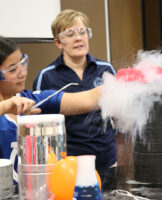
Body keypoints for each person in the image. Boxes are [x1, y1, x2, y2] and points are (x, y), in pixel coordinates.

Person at [0, 35, 101, 183]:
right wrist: (2, 107)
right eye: (12, 70)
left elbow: (88, 99)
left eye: (23, 62)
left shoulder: (33, 101)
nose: (22, 72)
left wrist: (120, 83)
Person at [33, 9, 117, 176]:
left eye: (82, 31)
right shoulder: (47, 75)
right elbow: (39, 126)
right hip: (68, 166)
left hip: (107, 160)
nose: (79, 38)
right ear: (58, 43)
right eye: (70, 34)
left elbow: (118, 111)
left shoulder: (106, 69)